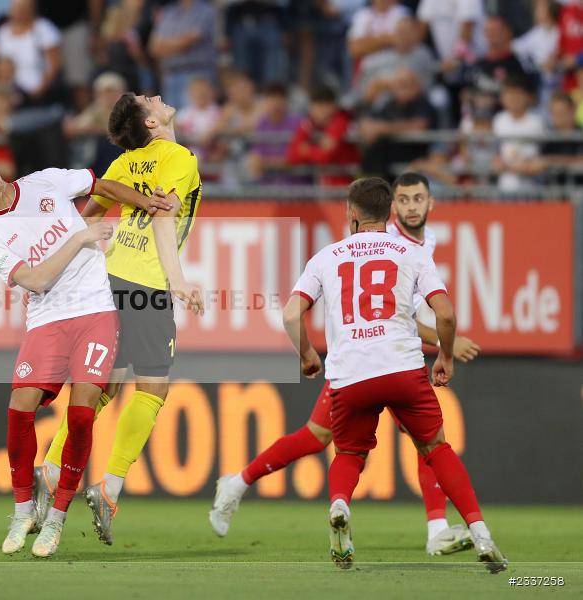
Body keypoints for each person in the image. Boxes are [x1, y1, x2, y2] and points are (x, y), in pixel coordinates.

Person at [210, 173, 483, 559]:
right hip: (367, 355)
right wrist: (441, 340)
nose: (411, 207)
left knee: (406, 440)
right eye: (403, 199)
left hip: (380, 356)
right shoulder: (396, 247)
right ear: (392, 209)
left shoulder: (423, 242)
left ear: (430, 204)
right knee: (344, 437)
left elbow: (397, 313)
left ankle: (435, 528)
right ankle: (237, 482)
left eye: (417, 199)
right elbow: (394, 314)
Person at [0, 144, 171, 557]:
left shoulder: (45, 181)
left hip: (95, 310)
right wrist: (82, 237)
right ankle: (22, 511)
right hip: (47, 318)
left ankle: (57, 519)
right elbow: (34, 279)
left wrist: (148, 203)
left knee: (83, 412)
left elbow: (99, 184)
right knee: (20, 408)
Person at [287, 176, 507, 571]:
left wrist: (306, 354)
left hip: (350, 372)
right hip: (403, 368)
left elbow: (290, 313)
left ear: (351, 213)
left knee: (349, 453)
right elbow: (446, 313)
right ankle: (481, 534)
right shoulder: (410, 252)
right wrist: (446, 358)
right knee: (436, 449)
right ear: (390, 213)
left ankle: (340, 506)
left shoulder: (326, 257)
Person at [36, 92, 205, 546]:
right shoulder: (178, 157)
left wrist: (83, 251)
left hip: (106, 282)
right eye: (148, 99)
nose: (156, 96)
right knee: (153, 389)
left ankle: (51, 469)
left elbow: (87, 216)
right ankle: (109, 486)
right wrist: (178, 281)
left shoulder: (124, 162)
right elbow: (165, 218)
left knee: (102, 388)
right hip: (145, 285)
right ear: (152, 122)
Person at [148, 0, 217, 110]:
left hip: (196, 73)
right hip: (170, 76)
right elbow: (154, 48)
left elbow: (190, 40)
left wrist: (165, 44)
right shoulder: (168, 12)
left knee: (194, 121)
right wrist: (180, 41)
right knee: (173, 121)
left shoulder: (205, 10)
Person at [286, 85, 359, 187]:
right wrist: (317, 149)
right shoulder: (310, 123)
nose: (314, 111)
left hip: (345, 188)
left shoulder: (341, 121)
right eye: (313, 106)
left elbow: (325, 157)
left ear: (331, 107)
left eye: (319, 106)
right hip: (323, 187)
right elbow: (292, 155)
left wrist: (306, 150)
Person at [492, 75, 544, 192]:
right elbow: (496, 150)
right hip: (504, 186)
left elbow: (543, 153)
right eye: (508, 94)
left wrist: (527, 165)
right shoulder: (498, 120)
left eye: (516, 94)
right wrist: (497, 161)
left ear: (528, 97)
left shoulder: (537, 122)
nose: (512, 98)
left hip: (533, 187)